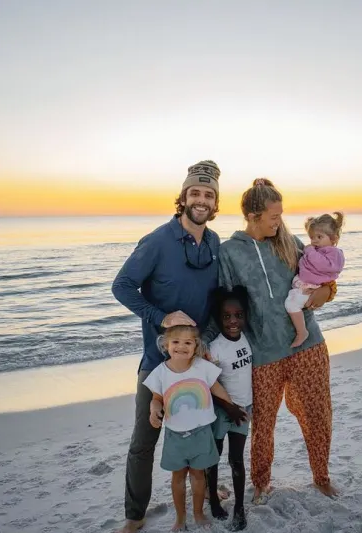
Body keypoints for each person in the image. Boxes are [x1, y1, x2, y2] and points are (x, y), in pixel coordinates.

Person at [111, 160, 222, 533]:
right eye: (195, 193)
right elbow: (122, 285)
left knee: (202, 430)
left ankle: (206, 495)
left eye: (208, 194)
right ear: (183, 198)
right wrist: (160, 317)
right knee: (145, 441)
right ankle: (135, 515)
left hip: (197, 363)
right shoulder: (158, 240)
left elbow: (212, 299)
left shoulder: (213, 242)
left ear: (215, 201)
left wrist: (203, 339)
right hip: (157, 363)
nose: (201, 200)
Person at [217, 178, 338, 502]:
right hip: (264, 352)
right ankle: (260, 483)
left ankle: (321, 476)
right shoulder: (230, 253)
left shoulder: (290, 243)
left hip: (307, 345)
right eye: (274, 215)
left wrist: (327, 292)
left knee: (317, 414)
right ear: (254, 215)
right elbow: (225, 302)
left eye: (280, 215)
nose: (279, 221)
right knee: (263, 423)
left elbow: (324, 278)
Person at [145, 325, 239, 532]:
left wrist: (232, 406)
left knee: (198, 476)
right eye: (175, 342)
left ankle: (198, 512)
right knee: (178, 477)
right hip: (175, 435)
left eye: (188, 342)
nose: (181, 347)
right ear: (166, 345)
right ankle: (180, 518)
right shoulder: (160, 372)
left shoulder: (202, 366)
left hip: (201, 432)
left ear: (195, 345)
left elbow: (217, 388)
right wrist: (154, 411)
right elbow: (156, 399)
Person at [206, 286, 253, 530]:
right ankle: (213, 498)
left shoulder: (247, 338)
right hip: (222, 411)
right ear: (219, 318)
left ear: (245, 316)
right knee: (213, 457)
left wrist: (240, 409)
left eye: (238, 315)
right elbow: (210, 384)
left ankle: (239, 508)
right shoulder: (215, 348)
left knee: (237, 459)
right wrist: (229, 407)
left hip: (243, 410)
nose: (233, 321)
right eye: (227, 316)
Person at [286, 212, 346, 347]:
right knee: (292, 299)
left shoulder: (333, 253)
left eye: (319, 237)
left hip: (312, 287)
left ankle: (302, 332)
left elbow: (322, 265)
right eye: (312, 237)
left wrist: (310, 251)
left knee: (291, 304)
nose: (314, 241)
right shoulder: (318, 250)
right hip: (305, 284)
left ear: (334, 238)